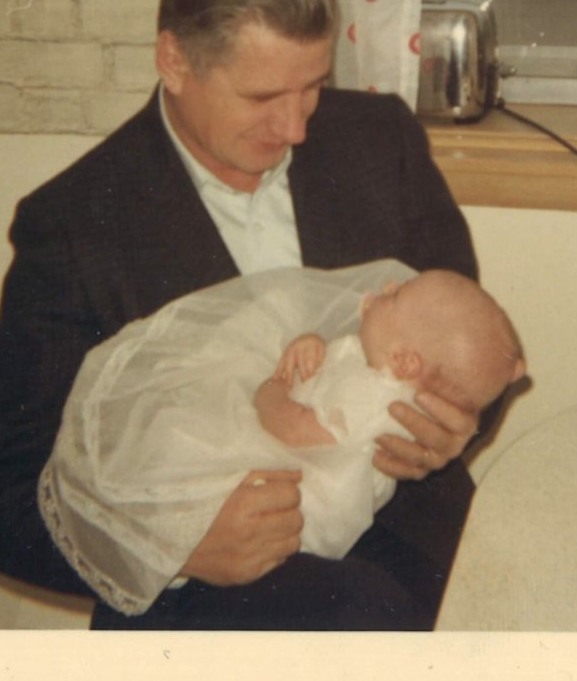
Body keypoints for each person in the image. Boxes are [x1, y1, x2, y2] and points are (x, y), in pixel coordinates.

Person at [0, 0, 493, 631]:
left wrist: (455, 426)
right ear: (175, 61)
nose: (297, 127)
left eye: (313, 88)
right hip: (209, 593)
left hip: (406, 540)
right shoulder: (76, 224)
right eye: (263, 96)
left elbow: (467, 338)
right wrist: (173, 546)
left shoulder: (380, 141)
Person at [38, 263, 525, 617]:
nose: (389, 286)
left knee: (500, 599)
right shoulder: (65, 227)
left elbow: (299, 429)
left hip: (303, 504)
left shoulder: (377, 396)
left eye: (397, 297)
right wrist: (172, 546)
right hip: (220, 572)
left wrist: (455, 426)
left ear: (403, 365)